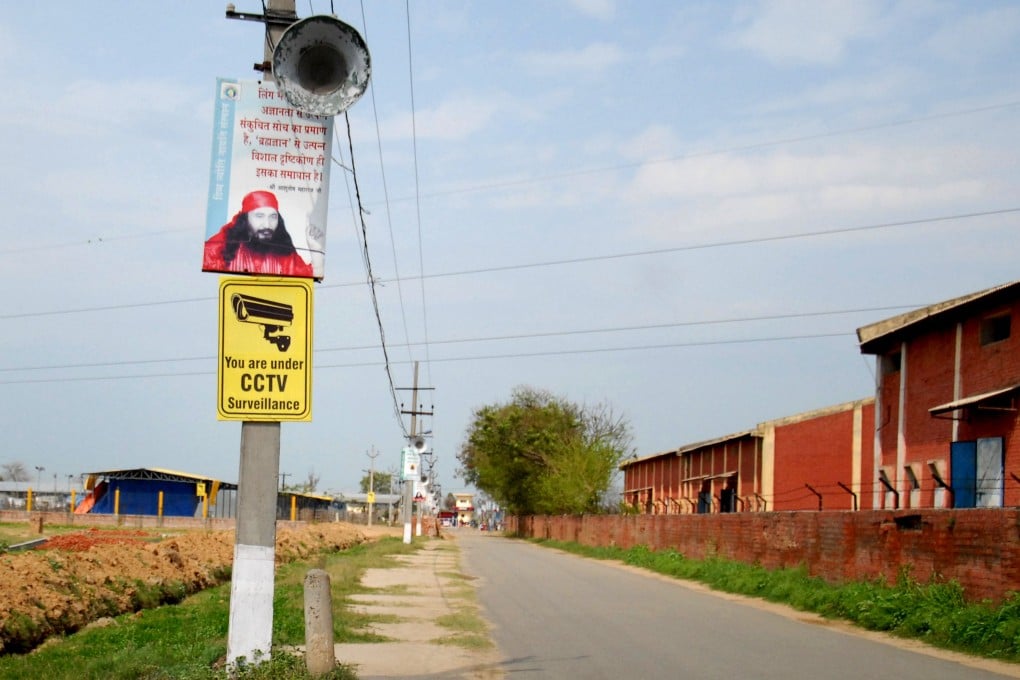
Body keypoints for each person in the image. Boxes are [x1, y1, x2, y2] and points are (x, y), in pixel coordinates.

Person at [203, 190, 321, 277]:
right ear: (245, 219)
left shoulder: (285, 255)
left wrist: (316, 249)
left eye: (273, 217)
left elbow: (307, 278)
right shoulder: (217, 250)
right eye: (259, 216)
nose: (267, 225)